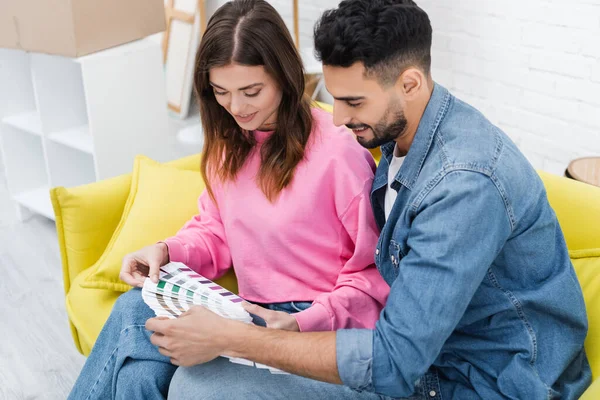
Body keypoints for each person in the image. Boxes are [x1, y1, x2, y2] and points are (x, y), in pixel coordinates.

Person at [153, 1, 592, 399]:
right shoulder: (404, 134)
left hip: (486, 378)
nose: (339, 119)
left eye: (352, 102)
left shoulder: (464, 186)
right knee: (168, 346)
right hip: (429, 350)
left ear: (410, 83)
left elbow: (394, 362)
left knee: (203, 388)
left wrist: (234, 338)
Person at [67, 1, 390, 398]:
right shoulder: (228, 144)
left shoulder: (338, 154)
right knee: (137, 328)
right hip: (244, 311)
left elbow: (373, 277)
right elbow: (217, 229)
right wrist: (166, 250)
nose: (236, 108)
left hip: (317, 328)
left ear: (284, 76)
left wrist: (304, 322)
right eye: (221, 92)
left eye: (251, 91)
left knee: (154, 351)